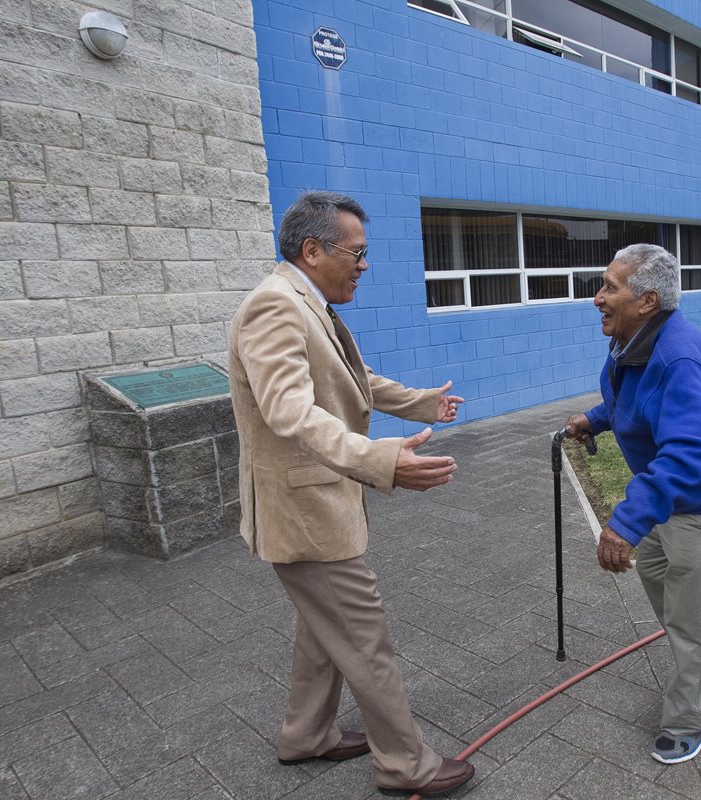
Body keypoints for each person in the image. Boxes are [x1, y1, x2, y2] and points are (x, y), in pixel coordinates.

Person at [228, 191, 474, 797]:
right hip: (304, 511)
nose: (364, 265)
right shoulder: (275, 308)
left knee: (324, 630)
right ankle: (404, 764)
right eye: (356, 253)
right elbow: (290, 411)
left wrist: (419, 403)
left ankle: (305, 735)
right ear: (313, 251)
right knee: (364, 639)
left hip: (315, 507)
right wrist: (381, 458)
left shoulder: (303, 303)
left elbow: (349, 378)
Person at [565, 243, 701, 765]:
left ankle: (692, 716)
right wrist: (596, 418)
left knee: (690, 615)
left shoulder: (678, 357)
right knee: (660, 576)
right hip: (675, 499)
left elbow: (695, 455)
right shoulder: (634, 341)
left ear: (647, 300)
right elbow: (630, 401)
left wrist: (624, 522)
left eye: (610, 287)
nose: (597, 298)